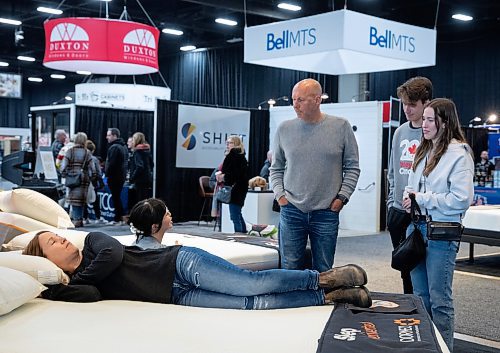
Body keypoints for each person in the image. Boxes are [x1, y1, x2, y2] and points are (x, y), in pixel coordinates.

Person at [22, 198, 372, 309]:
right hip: (174, 295)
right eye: (53, 243)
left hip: (178, 264)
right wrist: (53, 286)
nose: (63, 240)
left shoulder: (96, 242)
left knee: (250, 285)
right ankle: (328, 296)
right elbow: (90, 294)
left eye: (59, 236)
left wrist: (77, 273)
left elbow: (113, 257)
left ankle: (322, 277)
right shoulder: (78, 282)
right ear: (45, 259)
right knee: (253, 305)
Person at [402, 98, 474, 352]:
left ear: (445, 122)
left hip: (442, 232)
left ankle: (443, 348)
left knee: (440, 299)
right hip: (417, 229)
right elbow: (415, 186)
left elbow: (461, 200)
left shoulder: (459, 153)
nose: (425, 124)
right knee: (420, 297)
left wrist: (421, 199)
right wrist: (409, 197)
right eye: (425, 119)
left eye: (431, 119)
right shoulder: (424, 150)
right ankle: (426, 346)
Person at [269, 78, 360, 272]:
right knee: (289, 268)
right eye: (293, 99)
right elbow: (275, 168)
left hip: (326, 212)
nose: (295, 104)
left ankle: (319, 303)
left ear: (317, 100)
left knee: (324, 270)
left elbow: (352, 167)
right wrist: (281, 197)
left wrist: (341, 198)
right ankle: (293, 303)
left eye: (300, 99)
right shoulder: (284, 129)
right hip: (292, 210)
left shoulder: (341, 127)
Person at [387, 76, 433, 294]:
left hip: (421, 211)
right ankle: (409, 307)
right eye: (405, 103)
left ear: (426, 102)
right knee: (404, 267)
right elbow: (393, 171)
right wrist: (391, 202)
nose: (407, 109)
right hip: (398, 211)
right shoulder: (400, 132)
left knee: (423, 269)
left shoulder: (433, 134)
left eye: (412, 104)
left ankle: (423, 314)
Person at [60, 132, 96, 228]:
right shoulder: (87, 152)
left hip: (72, 178)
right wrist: (92, 177)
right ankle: (79, 219)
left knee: (74, 199)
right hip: (83, 179)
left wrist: (64, 175)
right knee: (81, 200)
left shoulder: (69, 151)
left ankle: (77, 219)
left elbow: (63, 166)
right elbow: (93, 168)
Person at [216, 135, 249, 233]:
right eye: (227, 142)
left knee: (235, 216)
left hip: (235, 189)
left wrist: (223, 177)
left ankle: (239, 238)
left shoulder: (233, 156)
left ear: (236, 144)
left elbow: (233, 174)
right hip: (240, 188)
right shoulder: (241, 156)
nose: (227, 145)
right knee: (237, 213)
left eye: (230, 143)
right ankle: (244, 236)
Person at [105, 128, 129, 225]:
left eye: (109, 135)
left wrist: (107, 174)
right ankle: (120, 217)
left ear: (115, 136)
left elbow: (112, 164)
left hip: (114, 176)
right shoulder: (123, 147)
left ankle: (118, 218)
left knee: (116, 197)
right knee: (117, 197)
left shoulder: (114, 147)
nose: (107, 137)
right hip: (121, 176)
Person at [83, 140, 105, 224]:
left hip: (83, 180)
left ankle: (85, 217)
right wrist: (100, 181)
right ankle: (98, 217)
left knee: (83, 200)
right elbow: (98, 172)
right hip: (93, 181)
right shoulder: (94, 159)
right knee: (95, 199)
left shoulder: (83, 157)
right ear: (93, 150)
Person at [129, 132, 154, 204]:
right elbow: (152, 164)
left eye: (133, 139)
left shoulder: (138, 152)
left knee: (140, 201)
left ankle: (141, 215)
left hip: (140, 180)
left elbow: (139, 166)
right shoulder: (147, 151)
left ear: (136, 140)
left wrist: (132, 178)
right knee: (145, 200)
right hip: (147, 179)